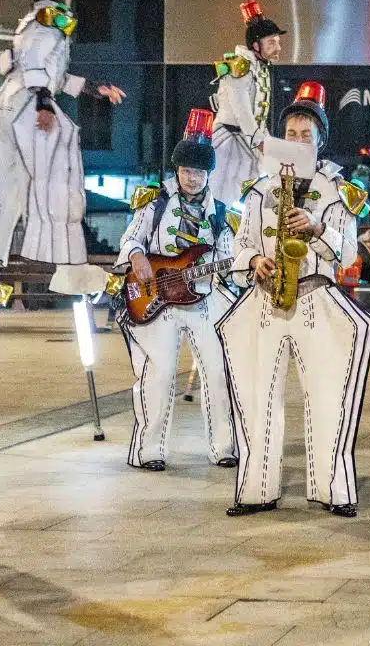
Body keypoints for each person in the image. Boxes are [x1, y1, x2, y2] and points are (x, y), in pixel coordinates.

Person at [216, 81, 370, 518]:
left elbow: (347, 254)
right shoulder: (259, 187)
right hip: (264, 299)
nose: (299, 141)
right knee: (254, 397)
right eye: (293, 134)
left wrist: (318, 228)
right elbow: (239, 244)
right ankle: (255, 490)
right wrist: (253, 263)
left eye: (308, 135)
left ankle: (332, 489)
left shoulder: (338, 189)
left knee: (327, 397)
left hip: (314, 298)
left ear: (321, 140)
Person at [0, 0, 126, 302]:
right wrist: (45, 103)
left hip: (4, 108)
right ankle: (70, 269)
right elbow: (39, 65)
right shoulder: (51, 19)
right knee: (61, 180)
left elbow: (53, 73)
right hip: (27, 109)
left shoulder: (32, 20)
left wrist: (95, 90)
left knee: (3, 192)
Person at [115, 109, 238, 471]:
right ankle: (149, 450)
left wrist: (243, 265)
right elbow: (131, 240)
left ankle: (224, 446)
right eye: (186, 171)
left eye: (199, 172)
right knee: (160, 373)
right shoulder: (154, 203)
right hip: (158, 299)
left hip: (203, 298)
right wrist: (137, 257)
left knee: (217, 371)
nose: (192, 178)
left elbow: (230, 257)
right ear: (177, 170)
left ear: (208, 175)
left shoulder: (221, 214)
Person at [208, 0, 285, 205]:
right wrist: (260, 143)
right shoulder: (240, 68)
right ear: (255, 45)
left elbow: (258, 118)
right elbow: (242, 111)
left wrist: (267, 143)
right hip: (230, 140)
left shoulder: (260, 68)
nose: (278, 47)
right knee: (221, 194)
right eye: (272, 42)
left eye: (277, 42)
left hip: (249, 141)